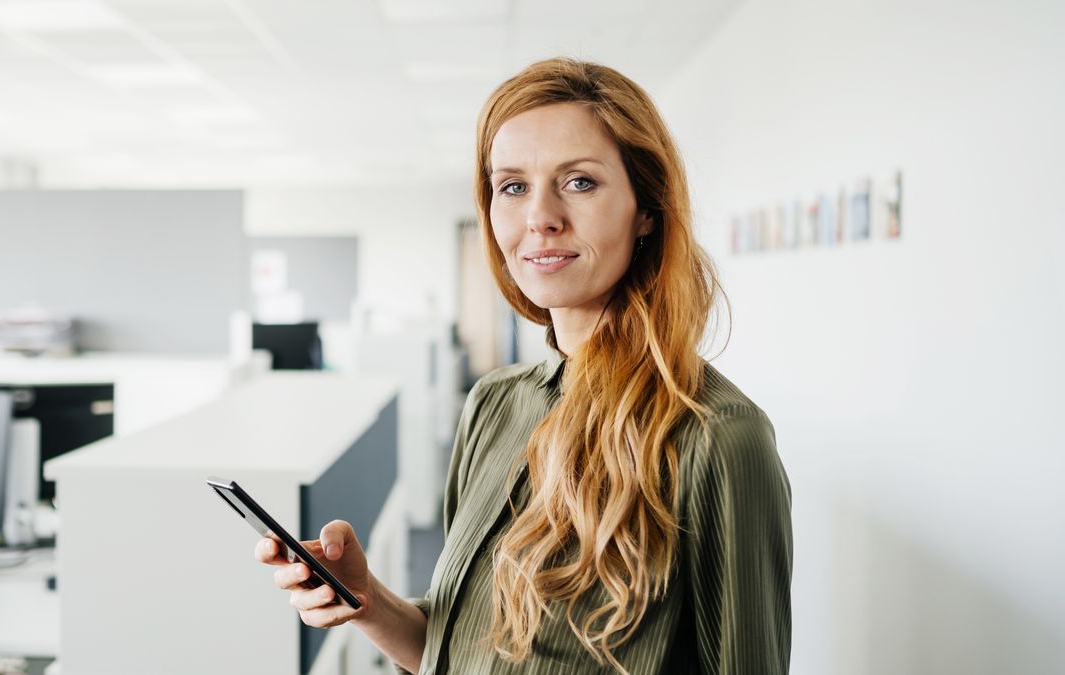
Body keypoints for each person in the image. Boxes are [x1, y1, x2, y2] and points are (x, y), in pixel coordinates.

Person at [255, 57, 793, 675]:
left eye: (580, 182)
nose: (540, 216)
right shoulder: (493, 403)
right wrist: (367, 601)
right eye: (512, 186)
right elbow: (454, 647)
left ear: (647, 209)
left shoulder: (716, 436)